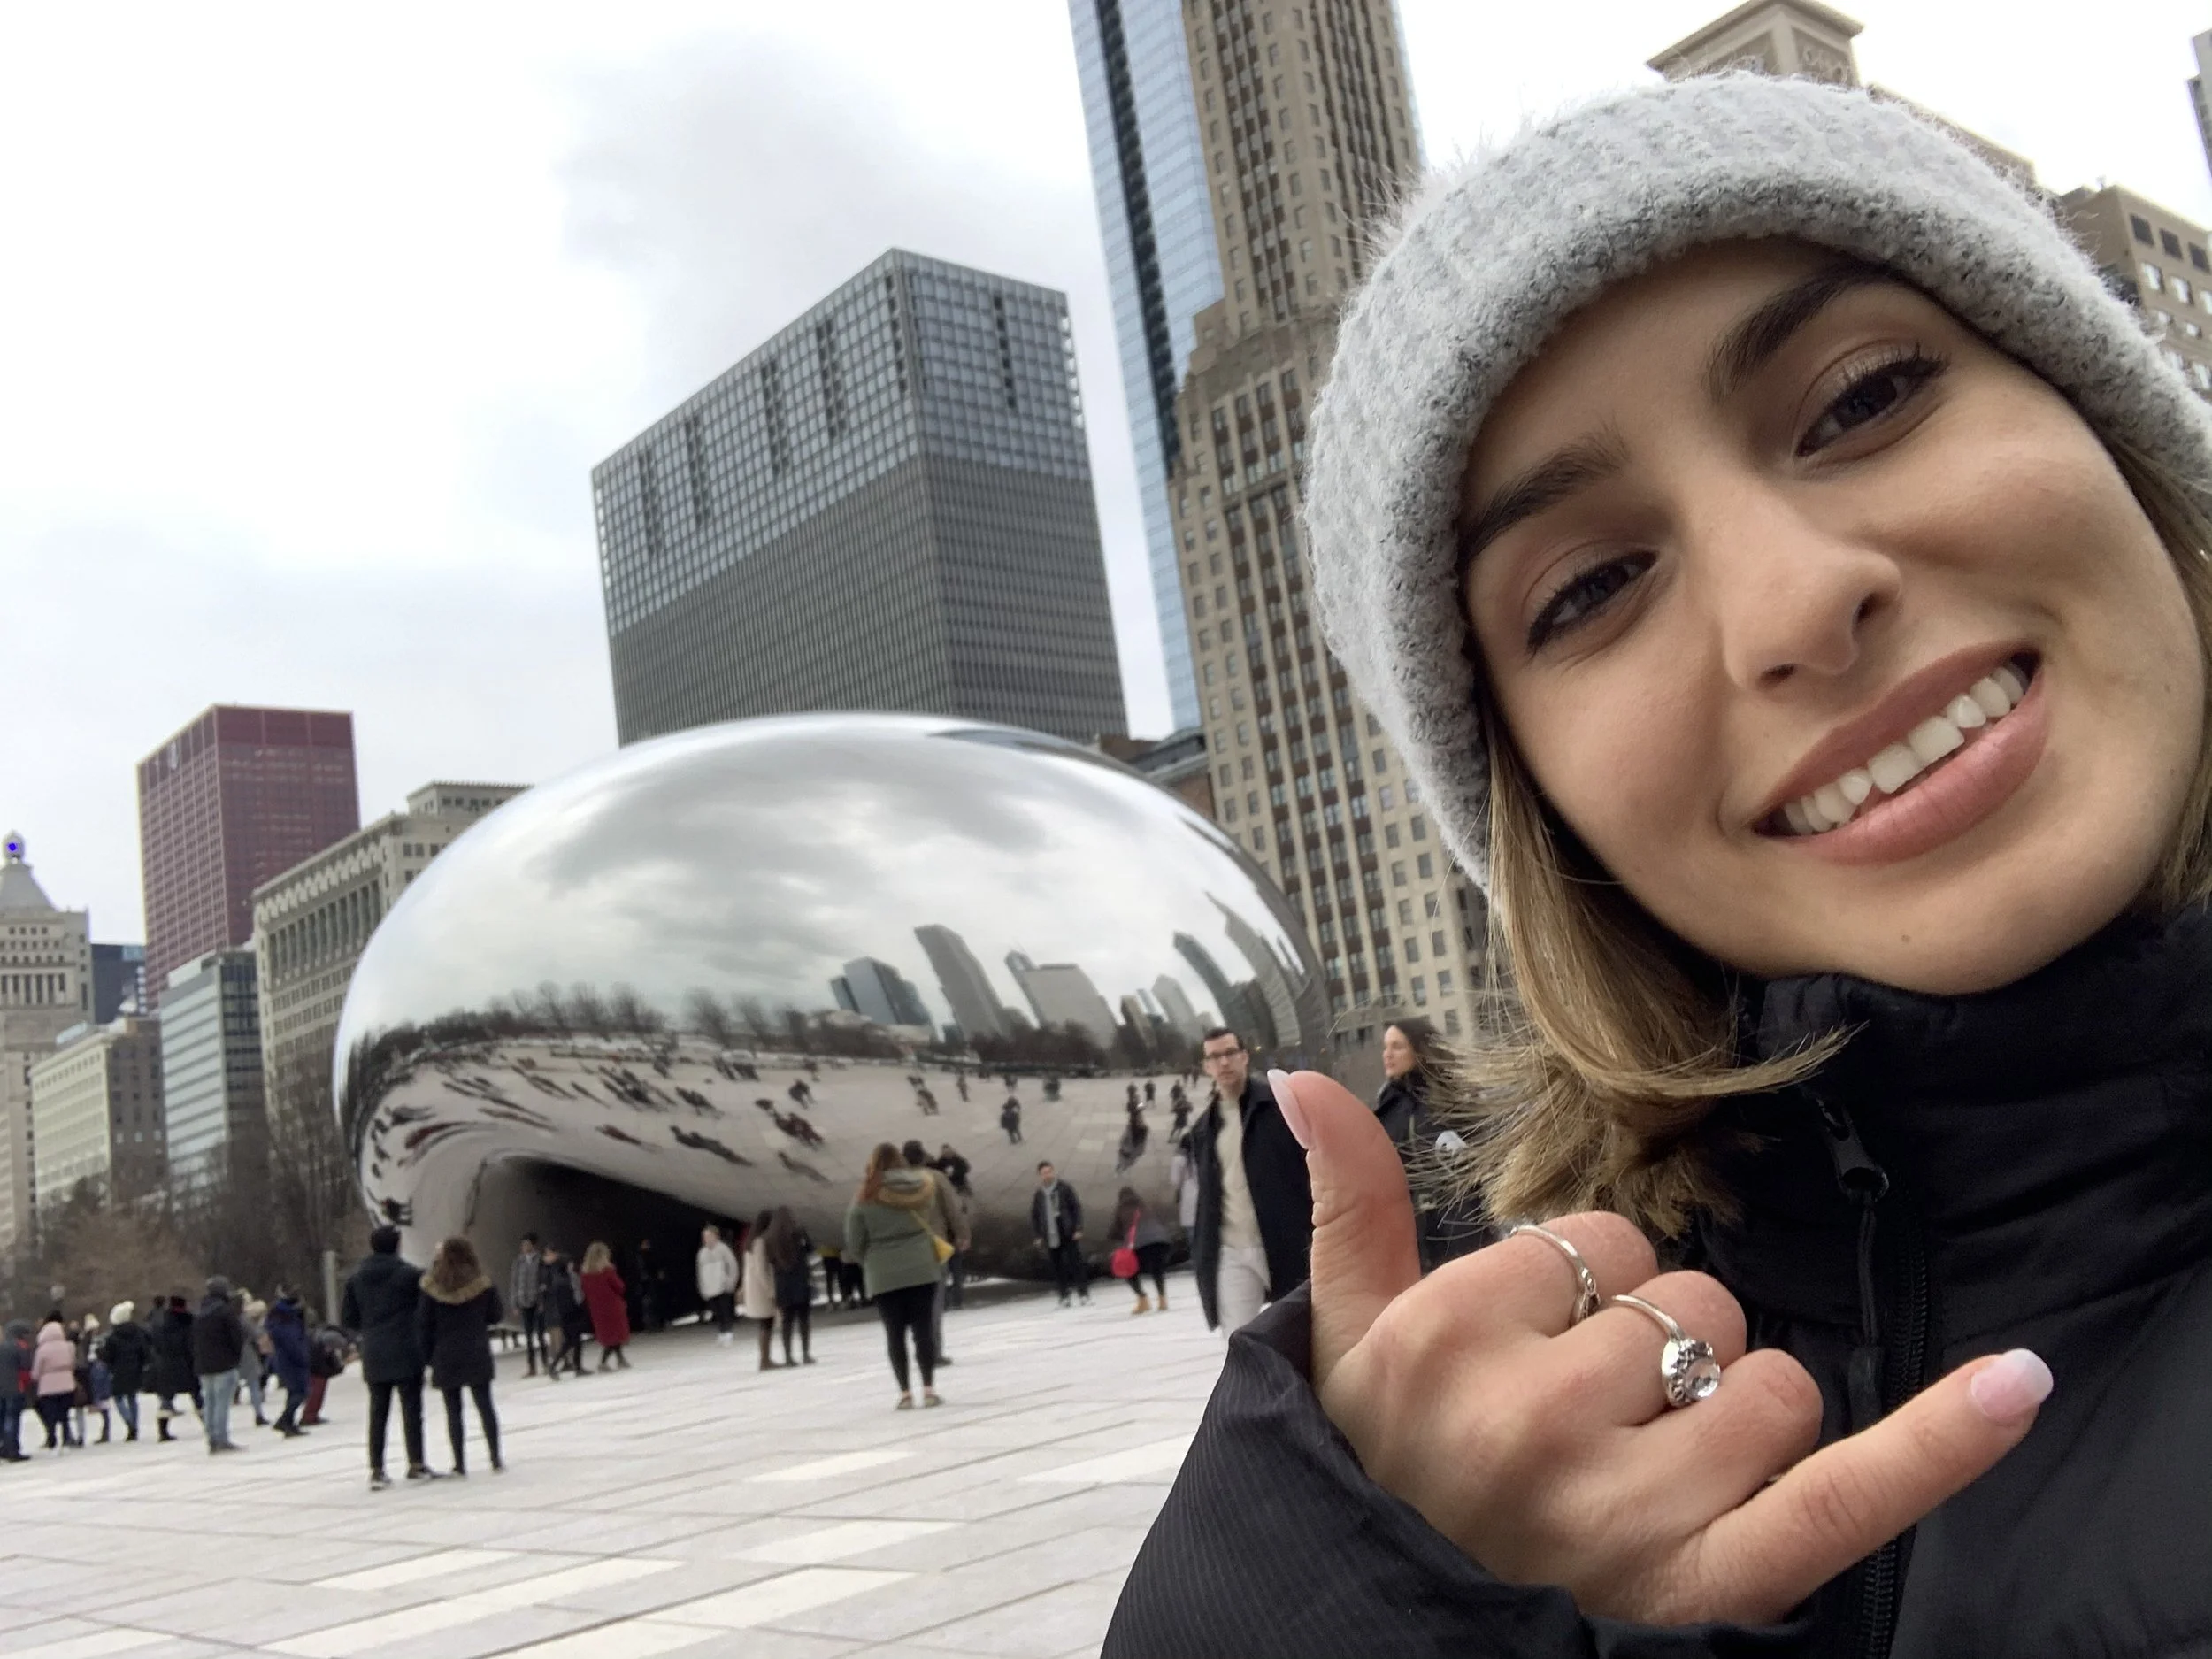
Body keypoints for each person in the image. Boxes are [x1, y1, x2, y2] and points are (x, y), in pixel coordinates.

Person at [1106, 72, 2212, 1657]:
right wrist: (1368, 1596)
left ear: (2115, 430)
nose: (1793, 605)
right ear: (1537, 810)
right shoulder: (1452, 1477)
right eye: (1591, 587)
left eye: (1866, 399)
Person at [1186, 1026, 1311, 1336]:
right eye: (1215, 1057)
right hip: (1232, 1248)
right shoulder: (1204, 1129)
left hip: (1287, 1242)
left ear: (1244, 1057)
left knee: (1302, 1337)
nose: (1224, 1063)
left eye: (1230, 1053)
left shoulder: (1279, 1106)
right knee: (1238, 1345)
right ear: (1206, 1067)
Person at [846, 1142, 948, 1408]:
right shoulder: (922, 1186)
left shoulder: (865, 1195)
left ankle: (904, 1394)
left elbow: (854, 1241)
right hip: (922, 1267)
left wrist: (871, 1261)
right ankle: (928, 1389)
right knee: (924, 1330)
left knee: (894, 1334)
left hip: (883, 1275)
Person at [341, 1225, 435, 1488]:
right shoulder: (409, 1275)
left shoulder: (356, 1279)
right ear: (397, 1245)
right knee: (412, 1409)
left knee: (378, 1411)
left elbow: (349, 1318)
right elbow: (426, 1308)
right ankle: (416, 1462)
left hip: (374, 1350)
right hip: (406, 1347)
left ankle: (377, 1468)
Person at [1373, 1018, 1458, 1272]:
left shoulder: (1451, 1099)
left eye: (1397, 1047)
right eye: (1385, 1047)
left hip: (1458, 1226)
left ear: (1419, 1050)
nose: (1387, 1055)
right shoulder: (1387, 1108)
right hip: (1413, 1236)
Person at [416, 1235, 503, 1475]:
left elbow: (423, 1323)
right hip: (476, 1349)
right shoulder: (482, 1282)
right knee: (485, 1405)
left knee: (453, 1411)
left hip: (446, 1352)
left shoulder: (432, 1286)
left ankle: (459, 1462)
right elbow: (496, 1315)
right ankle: (495, 1457)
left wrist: (426, 1357)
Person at [903, 1140, 969, 1363]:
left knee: (914, 1302)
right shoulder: (936, 1178)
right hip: (933, 1246)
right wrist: (962, 1234)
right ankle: (933, 1351)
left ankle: (920, 1348)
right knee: (934, 1301)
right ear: (923, 1156)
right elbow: (954, 1208)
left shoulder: (895, 1183)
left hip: (906, 1250)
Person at [189, 1278, 248, 1454]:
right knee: (222, 1403)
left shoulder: (199, 1313)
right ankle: (222, 1438)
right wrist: (235, 1358)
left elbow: (192, 1340)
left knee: (210, 1403)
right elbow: (236, 1338)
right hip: (224, 1363)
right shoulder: (225, 1312)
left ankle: (212, 1437)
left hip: (203, 1365)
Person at [1030, 1163, 1088, 1307]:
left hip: (1067, 1231)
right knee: (1057, 1267)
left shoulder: (1064, 1188)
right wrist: (1037, 1235)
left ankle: (1083, 1294)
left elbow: (1076, 1208)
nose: (1047, 1175)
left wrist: (1078, 1228)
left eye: (1049, 1172)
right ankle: (1064, 1296)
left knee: (1076, 1264)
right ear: (1040, 1175)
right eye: (1044, 1173)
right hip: (1050, 1235)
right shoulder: (1039, 1194)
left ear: (1053, 1172)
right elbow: (1035, 1215)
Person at [764, 1207, 816, 1366]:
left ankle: (788, 1356)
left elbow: (770, 1260)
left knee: (787, 1321)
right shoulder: (797, 1232)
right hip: (800, 1280)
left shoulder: (769, 1238)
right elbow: (811, 1249)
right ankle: (806, 1353)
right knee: (804, 1319)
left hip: (783, 1283)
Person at [1110, 1187, 1173, 1314]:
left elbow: (1114, 1232)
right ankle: (1162, 1300)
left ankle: (1142, 1299)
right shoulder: (1145, 1206)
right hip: (1161, 1242)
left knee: (1128, 1271)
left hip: (1140, 1245)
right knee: (1157, 1271)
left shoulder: (1121, 1209)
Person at [146, 1294, 198, 1442]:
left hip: (166, 1365)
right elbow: (190, 1344)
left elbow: (156, 1344)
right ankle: (210, 1426)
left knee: (166, 1399)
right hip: (186, 1364)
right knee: (196, 1394)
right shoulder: (188, 1322)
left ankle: (163, 1431)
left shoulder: (162, 1323)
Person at [100, 1302, 150, 1443]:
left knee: (118, 1398)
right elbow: (144, 1350)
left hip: (118, 1371)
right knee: (132, 1398)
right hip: (135, 1369)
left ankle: (129, 1423)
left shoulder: (112, 1337)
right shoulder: (137, 1332)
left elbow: (107, 1356)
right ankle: (135, 1425)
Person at [263, 1290, 311, 1437]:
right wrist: (304, 1359)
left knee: (294, 1392)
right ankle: (285, 1419)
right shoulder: (287, 1322)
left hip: (285, 1361)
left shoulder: (280, 1320)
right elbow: (293, 1344)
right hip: (292, 1362)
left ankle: (289, 1422)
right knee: (301, 1392)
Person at [580, 1242, 632, 1370]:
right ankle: (603, 1362)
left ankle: (621, 1359)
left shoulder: (585, 1274)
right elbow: (620, 1287)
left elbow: (585, 1291)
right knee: (616, 1335)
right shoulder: (607, 1270)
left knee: (610, 1335)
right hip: (613, 1307)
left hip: (597, 1309)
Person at [29, 1317, 78, 1451]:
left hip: (47, 1387)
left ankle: (52, 1439)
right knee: (65, 1414)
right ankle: (66, 1437)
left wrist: (36, 1377)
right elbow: (72, 1364)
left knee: (50, 1415)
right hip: (67, 1384)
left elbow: (36, 1371)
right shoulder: (69, 1347)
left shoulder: (42, 1350)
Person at [741, 1210, 780, 1371]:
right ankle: (765, 1360)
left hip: (753, 1286)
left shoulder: (749, 1242)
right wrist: (771, 1291)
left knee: (764, 1323)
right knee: (766, 1323)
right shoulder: (760, 1243)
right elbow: (761, 1269)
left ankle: (765, 1358)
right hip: (760, 1289)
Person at [541, 1247, 588, 1377]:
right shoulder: (565, 1281)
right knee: (573, 1341)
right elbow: (574, 1298)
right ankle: (570, 1366)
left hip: (565, 1314)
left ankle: (565, 1366)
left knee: (572, 1341)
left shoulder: (559, 1280)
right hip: (570, 1314)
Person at [510, 1232, 546, 1378]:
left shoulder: (540, 1261)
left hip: (537, 1302)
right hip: (524, 1302)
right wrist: (514, 1303)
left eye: (527, 1244)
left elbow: (544, 1281)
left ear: (533, 1245)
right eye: (523, 1245)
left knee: (541, 1335)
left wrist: (543, 1301)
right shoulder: (518, 1262)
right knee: (529, 1337)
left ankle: (546, 1363)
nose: (524, 1247)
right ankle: (532, 1367)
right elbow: (514, 1282)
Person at [696, 1224, 739, 1346]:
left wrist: (731, 1281)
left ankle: (729, 1333)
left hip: (723, 1285)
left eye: (709, 1236)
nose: (707, 1239)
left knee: (725, 1309)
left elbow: (732, 1265)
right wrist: (702, 1287)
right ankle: (721, 1332)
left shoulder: (723, 1249)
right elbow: (700, 1271)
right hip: (710, 1286)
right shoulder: (702, 1253)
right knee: (716, 1311)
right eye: (705, 1236)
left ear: (716, 1236)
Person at [303, 1323, 350, 1426]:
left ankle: (312, 1415)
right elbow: (321, 1365)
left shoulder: (321, 1341)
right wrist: (333, 1370)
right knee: (315, 1393)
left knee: (318, 1394)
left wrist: (338, 1368)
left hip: (318, 1371)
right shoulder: (318, 1347)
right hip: (316, 1371)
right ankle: (309, 1416)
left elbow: (331, 1363)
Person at [0, 1320, 27, 1460]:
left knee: (3, 1419)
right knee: (12, 1419)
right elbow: (25, 1366)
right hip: (14, 1387)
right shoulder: (16, 1348)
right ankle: (13, 1450)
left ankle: (4, 1447)